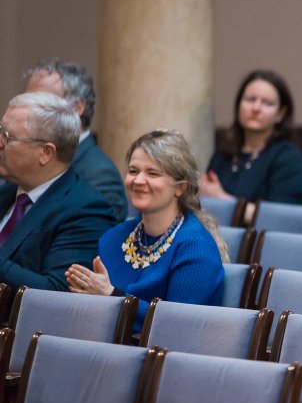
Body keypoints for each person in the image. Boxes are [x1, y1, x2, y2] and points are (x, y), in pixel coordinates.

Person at [66, 130, 227, 332]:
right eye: (133, 171)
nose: (138, 180)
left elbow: (177, 326)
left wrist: (112, 297)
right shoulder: (114, 238)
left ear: (180, 187)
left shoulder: (197, 249)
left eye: (152, 173)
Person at [0, 93, 115, 291]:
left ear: (46, 153)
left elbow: (56, 292)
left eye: (6, 136)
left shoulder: (86, 210)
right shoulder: (6, 193)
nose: (0, 142)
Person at [22, 59, 128, 222]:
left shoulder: (100, 176)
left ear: (77, 108)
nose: (27, 112)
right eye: (26, 103)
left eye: (41, 102)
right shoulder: (24, 162)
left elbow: (92, 240)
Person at [200, 70, 302, 223]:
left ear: (280, 114)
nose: (256, 108)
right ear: (239, 105)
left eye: (267, 103)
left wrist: (220, 199)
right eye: (250, 99)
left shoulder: (288, 157)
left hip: (264, 242)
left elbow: (281, 220)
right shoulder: (223, 153)